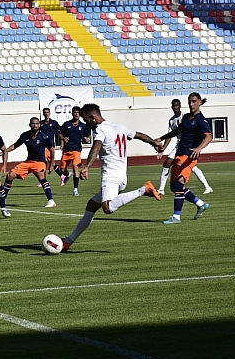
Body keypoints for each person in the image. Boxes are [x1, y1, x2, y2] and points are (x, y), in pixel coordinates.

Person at [60, 103, 162, 251]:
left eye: (86, 120)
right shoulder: (119, 126)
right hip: (122, 177)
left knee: (107, 207)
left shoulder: (100, 130)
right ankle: (68, 242)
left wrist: (86, 167)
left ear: (92, 117)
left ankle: (144, 190)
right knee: (91, 206)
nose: (86, 123)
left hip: (111, 176)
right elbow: (139, 135)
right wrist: (153, 142)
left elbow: (95, 148)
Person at [155, 92, 212, 224]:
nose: (191, 104)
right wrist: (162, 138)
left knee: (179, 184)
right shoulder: (186, 117)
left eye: (194, 101)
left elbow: (209, 136)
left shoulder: (201, 120)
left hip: (188, 155)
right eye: (189, 101)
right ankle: (200, 203)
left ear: (199, 103)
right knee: (174, 187)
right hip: (179, 153)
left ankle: (176, 216)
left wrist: (199, 148)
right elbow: (178, 131)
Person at [2, 116, 57, 209]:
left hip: (39, 162)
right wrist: (5, 151)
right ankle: (2, 199)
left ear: (39, 125)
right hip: (28, 162)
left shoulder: (44, 137)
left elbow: (52, 150)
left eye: (36, 123)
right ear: (29, 125)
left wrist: (51, 164)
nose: (35, 125)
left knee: (40, 175)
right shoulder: (25, 135)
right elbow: (16, 145)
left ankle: (51, 201)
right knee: (10, 175)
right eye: (33, 123)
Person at [59, 105, 92, 196]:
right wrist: (63, 139)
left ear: (80, 114)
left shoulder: (83, 126)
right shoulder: (67, 124)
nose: (76, 114)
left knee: (75, 166)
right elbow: (60, 134)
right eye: (75, 112)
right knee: (62, 170)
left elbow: (89, 135)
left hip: (76, 150)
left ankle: (75, 189)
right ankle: (67, 174)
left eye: (78, 113)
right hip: (66, 150)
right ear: (72, 113)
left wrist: (87, 139)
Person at [39, 107, 64, 179]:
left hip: (50, 145)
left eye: (47, 112)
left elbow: (60, 133)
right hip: (43, 145)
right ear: (43, 114)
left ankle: (43, 179)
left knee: (46, 161)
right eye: (45, 112)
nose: (46, 114)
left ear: (50, 113)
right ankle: (62, 176)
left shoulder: (54, 123)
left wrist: (62, 142)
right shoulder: (41, 123)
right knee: (45, 161)